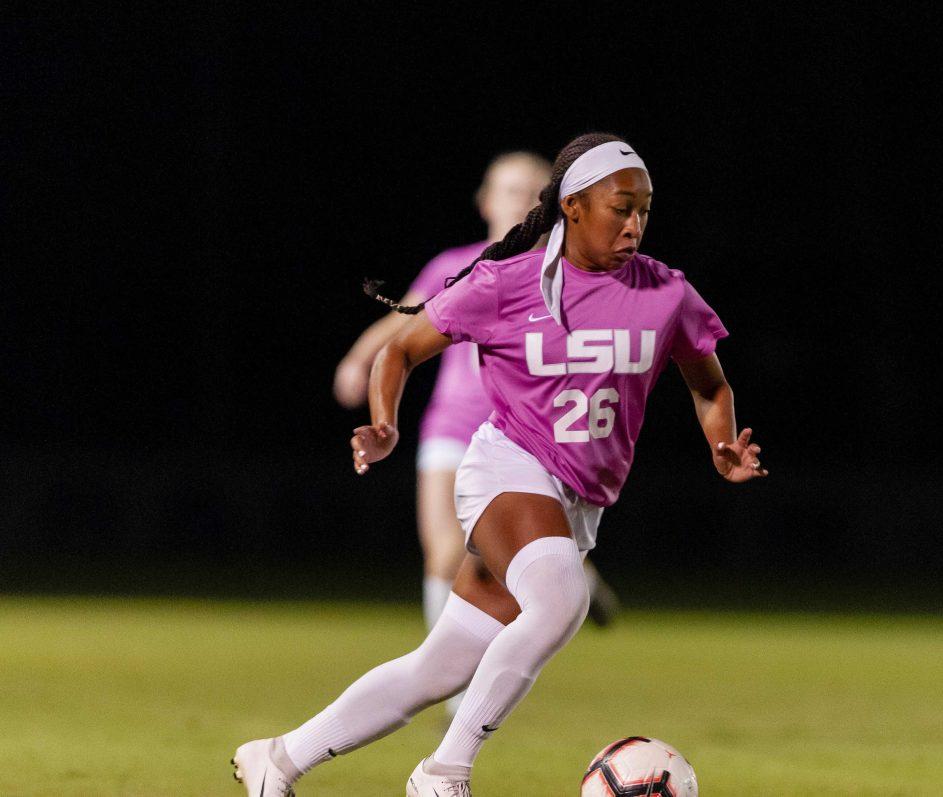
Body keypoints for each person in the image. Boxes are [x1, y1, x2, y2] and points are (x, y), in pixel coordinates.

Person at [232, 133, 766, 797]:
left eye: (645, 210)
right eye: (619, 207)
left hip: (578, 498)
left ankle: (278, 757)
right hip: (507, 464)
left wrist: (720, 442)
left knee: (441, 665)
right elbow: (398, 351)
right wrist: (387, 424)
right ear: (572, 207)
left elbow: (708, 382)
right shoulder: (507, 280)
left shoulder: (665, 291)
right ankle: (443, 772)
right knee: (563, 598)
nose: (635, 223)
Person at [332, 153, 622, 713]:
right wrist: (355, 361)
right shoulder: (459, 265)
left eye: (533, 190)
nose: (520, 200)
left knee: (509, 562)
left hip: (532, 434)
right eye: (509, 190)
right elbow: (403, 328)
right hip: (454, 425)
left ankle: (565, 566)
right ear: (486, 201)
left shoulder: (570, 275)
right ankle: (451, 682)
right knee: (444, 554)